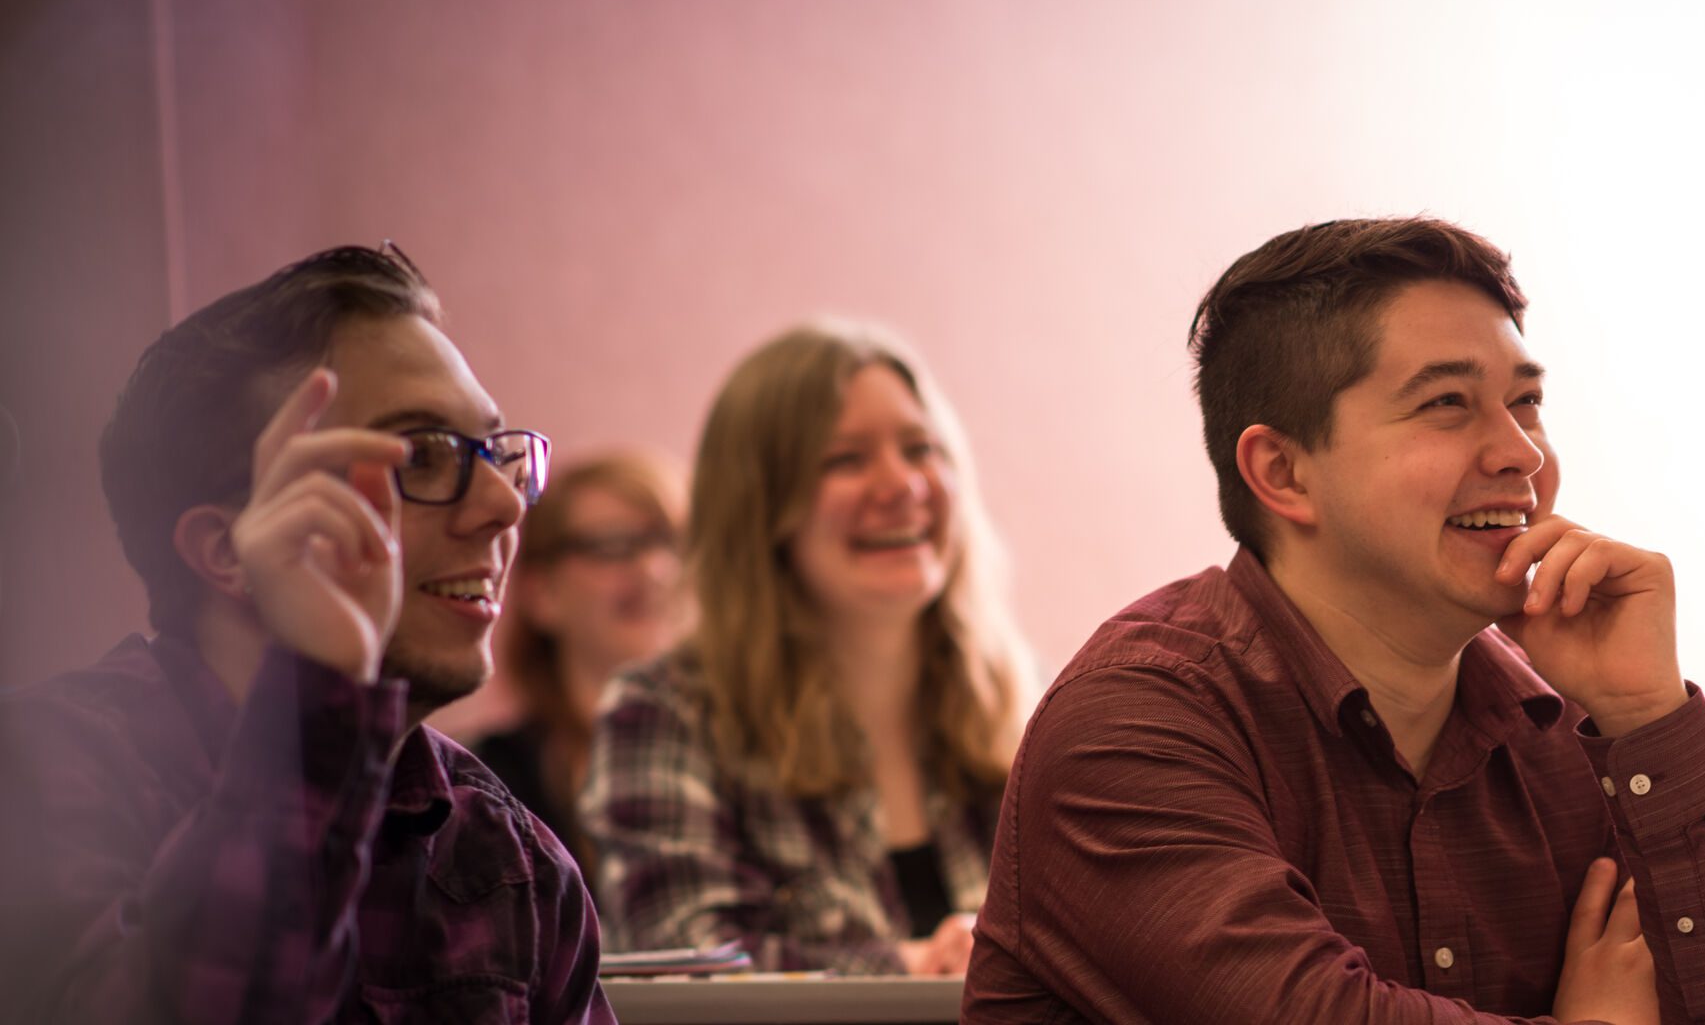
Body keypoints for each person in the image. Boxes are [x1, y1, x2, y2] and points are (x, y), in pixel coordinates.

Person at [961, 217, 1705, 1024]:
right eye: (1448, 405)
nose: (1522, 453)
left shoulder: (1567, 729)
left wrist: (1649, 714)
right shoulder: (1133, 723)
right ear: (1283, 473)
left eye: (1527, 401)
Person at [0, 245, 615, 1023]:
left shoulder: (508, 856)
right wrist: (318, 695)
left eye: (498, 453)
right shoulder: (39, 772)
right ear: (227, 552)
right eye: (422, 455)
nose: (505, 505)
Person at [580, 321, 1029, 976]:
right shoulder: (666, 714)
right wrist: (909, 968)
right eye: (845, 459)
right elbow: (690, 974)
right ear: (760, 508)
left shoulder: (1029, 708)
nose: (901, 485)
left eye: (920, 448)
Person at [474, 451, 690, 884]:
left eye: (669, 542)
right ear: (542, 594)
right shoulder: (489, 786)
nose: (654, 570)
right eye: (613, 547)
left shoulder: (751, 756)